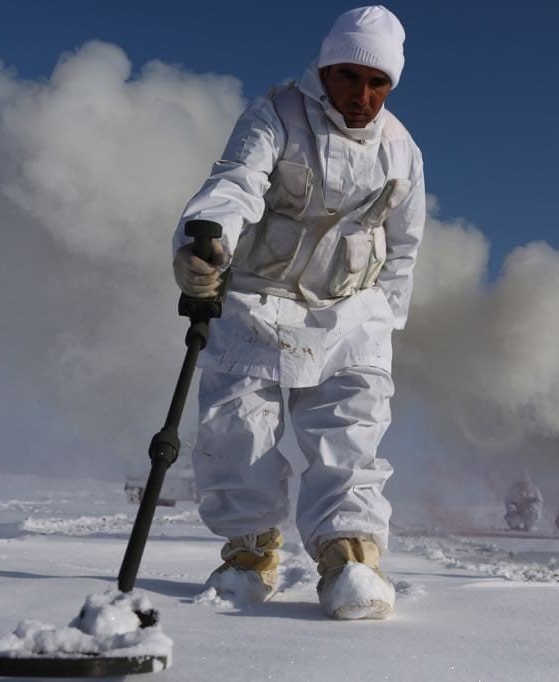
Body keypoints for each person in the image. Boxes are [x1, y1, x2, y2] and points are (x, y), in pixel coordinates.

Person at [171, 5, 424, 620]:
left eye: (377, 83)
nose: (362, 95)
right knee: (239, 433)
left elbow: (405, 244)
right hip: (259, 300)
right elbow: (236, 183)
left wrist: (383, 324)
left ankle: (350, 560)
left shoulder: (401, 150)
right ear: (323, 68)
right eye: (348, 77)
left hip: (352, 314)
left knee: (350, 436)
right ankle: (250, 555)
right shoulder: (275, 117)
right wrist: (205, 241)